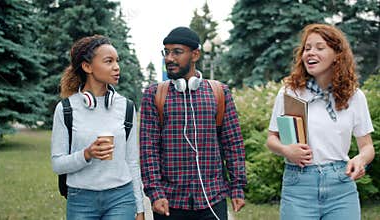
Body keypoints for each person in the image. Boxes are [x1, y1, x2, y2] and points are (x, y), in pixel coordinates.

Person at [267, 23, 375, 220]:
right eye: (307, 48)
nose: (310, 53)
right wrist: (286, 150)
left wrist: (360, 159)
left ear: (337, 55)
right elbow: (272, 138)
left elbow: (367, 146)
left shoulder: (354, 97)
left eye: (319, 47)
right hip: (299, 185)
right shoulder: (290, 92)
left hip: (341, 186)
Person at [139, 27, 247, 220]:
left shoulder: (219, 92)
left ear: (195, 54)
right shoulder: (154, 95)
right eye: (167, 52)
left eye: (177, 52)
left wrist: (237, 187)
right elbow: (149, 150)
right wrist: (155, 193)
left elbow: (233, 143)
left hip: (212, 199)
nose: (169, 58)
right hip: (169, 202)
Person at [51, 35, 144, 220]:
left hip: (121, 198)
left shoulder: (126, 107)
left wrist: (139, 207)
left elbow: (132, 161)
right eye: (108, 61)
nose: (117, 67)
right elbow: (58, 164)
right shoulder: (66, 109)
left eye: (117, 61)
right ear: (87, 67)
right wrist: (87, 154)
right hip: (81, 200)